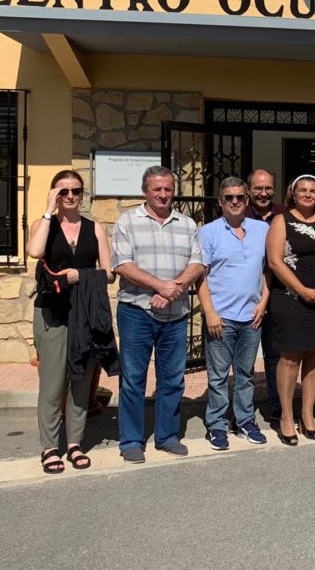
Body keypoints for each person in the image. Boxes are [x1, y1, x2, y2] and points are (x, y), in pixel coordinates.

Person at [112, 166, 205, 463]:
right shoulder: (128, 221)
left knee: (173, 379)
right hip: (136, 312)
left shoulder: (187, 224)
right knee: (133, 379)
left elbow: (197, 264)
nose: (163, 194)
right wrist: (159, 286)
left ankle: (166, 436)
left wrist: (172, 288)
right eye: (157, 189)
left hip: (176, 314)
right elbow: (123, 265)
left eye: (168, 189)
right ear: (145, 191)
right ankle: (131, 440)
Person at [26, 169, 115, 474]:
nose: (70, 197)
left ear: (82, 194)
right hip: (52, 313)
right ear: (54, 193)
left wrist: (83, 276)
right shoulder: (43, 225)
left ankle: (75, 444)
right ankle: (50, 447)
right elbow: (34, 251)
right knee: (52, 384)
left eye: (76, 191)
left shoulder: (95, 229)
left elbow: (109, 273)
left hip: (86, 314)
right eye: (63, 191)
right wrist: (48, 210)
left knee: (81, 382)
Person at [197, 177, 271, 451]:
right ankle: (216, 426)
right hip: (222, 317)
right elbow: (200, 277)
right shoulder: (208, 232)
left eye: (240, 197)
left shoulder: (262, 229)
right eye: (229, 197)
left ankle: (245, 421)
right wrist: (209, 313)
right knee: (217, 376)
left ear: (247, 200)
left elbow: (268, 269)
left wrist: (264, 301)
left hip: (252, 315)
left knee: (245, 373)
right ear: (220, 202)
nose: (235, 202)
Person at [266, 174, 315, 445]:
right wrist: (302, 290)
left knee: (314, 356)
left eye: (313, 191)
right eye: (302, 190)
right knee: (290, 357)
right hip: (290, 298)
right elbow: (275, 262)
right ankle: (286, 416)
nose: (308, 194)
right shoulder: (281, 220)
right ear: (293, 193)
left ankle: (307, 414)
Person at [246, 168, 286, 422]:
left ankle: (278, 405)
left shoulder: (283, 215)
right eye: (258, 188)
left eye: (268, 188)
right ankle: (242, 410)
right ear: (249, 190)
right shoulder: (238, 212)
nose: (263, 193)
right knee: (244, 359)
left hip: (278, 295)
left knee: (275, 355)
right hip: (246, 296)